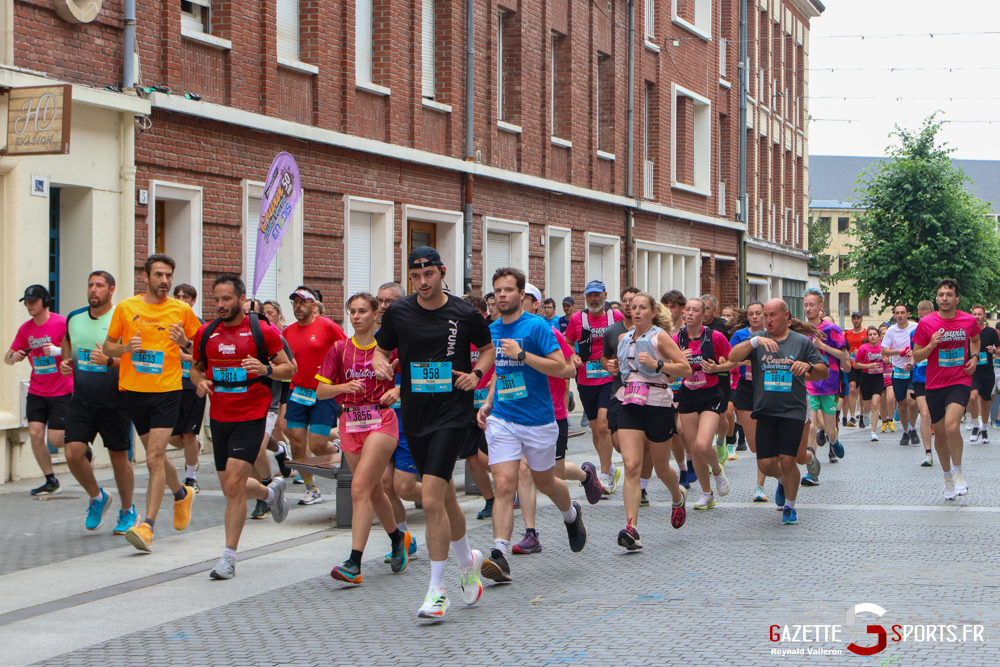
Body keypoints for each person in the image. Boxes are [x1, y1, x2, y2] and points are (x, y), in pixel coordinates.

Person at [374, 246, 494, 620]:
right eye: (415, 276)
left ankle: (437, 590)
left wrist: (476, 375)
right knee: (445, 500)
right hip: (415, 415)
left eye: (428, 275)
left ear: (442, 272)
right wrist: (379, 364)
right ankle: (468, 560)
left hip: (452, 414)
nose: (422, 282)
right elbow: (380, 350)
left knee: (429, 501)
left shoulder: (464, 312)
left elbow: (487, 350)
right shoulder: (399, 312)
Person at [476, 269, 588, 581]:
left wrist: (523, 354)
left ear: (522, 294)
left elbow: (563, 369)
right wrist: (488, 403)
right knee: (504, 484)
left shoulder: (536, 326)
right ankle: (499, 553)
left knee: (546, 481)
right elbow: (500, 372)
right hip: (503, 419)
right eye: (498, 290)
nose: (502, 295)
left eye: (508, 290)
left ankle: (571, 514)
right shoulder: (492, 330)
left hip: (538, 420)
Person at [188, 275, 292, 578]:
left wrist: (266, 369)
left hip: (252, 414)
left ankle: (228, 558)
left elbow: (289, 369)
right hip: (220, 416)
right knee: (230, 487)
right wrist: (200, 382)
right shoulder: (206, 333)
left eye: (227, 299)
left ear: (242, 299)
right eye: (216, 299)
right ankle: (271, 494)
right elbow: (195, 369)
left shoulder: (262, 331)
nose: (220, 305)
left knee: (234, 484)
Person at [103, 254, 203, 553]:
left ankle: (146, 526)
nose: (165, 281)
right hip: (135, 391)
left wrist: (185, 343)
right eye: (159, 275)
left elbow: (202, 349)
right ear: (145, 277)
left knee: (154, 456)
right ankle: (181, 494)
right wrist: (124, 348)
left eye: (169, 275)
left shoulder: (181, 310)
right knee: (154, 456)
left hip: (167, 390)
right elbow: (108, 346)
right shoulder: (126, 308)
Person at [317, 292, 413, 583]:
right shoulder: (339, 349)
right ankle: (398, 538)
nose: (356, 317)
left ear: (375, 315)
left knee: (358, 488)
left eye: (362, 311)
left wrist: (397, 390)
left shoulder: (389, 349)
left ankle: (354, 563)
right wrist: (343, 387)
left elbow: (415, 378)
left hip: (381, 420)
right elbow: (321, 391)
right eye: (352, 312)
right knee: (372, 491)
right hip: (350, 422)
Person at [510, 284, 600, 555]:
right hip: (518, 414)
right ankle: (531, 534)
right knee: (524, 471)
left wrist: (536, 361)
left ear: (534, 304)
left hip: (550, 414)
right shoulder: (505, 332)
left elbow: (569, 368)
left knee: (553, 473)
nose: (513, 300)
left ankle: (585, 475)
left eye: (523, 298)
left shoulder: (548, 332)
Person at [727, 299, 828, 526]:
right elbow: (733, 357)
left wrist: (809, 366)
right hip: (765, 410)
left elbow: (823, 371)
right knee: (766, 464)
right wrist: (754, 342)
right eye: (766, 315)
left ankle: (790, 507)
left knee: (788, 460)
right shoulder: (759, 339)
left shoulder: (800, 342)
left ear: (786, 316)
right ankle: (783, 481)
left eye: (773, 315)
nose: (768, 320)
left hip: (792, 410)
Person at [607, 293, 691, 549]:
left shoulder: (660, 337)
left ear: (653, 312)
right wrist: (614, 368)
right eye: (633, 307)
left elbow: (685, 368)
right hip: (630, 404)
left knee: (661, 468)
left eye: (642, 307)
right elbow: (624, 370)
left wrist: (658, 363)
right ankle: (631, 528)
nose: (636, 311)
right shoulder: (623, 339)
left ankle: (677, 496)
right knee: (631, 466)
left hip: (658, 405)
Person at [58, 272, 137, 533]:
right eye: (91, 284)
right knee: (72, 452)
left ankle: (127, 511)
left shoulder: (121, 318)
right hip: (82, 399)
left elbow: (134, 360)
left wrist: (109, 361)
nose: (93, 289)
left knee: (118, 458)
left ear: (111, 290)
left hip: (115, 400)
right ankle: (97, 497)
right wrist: (66, 361)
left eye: (100, 285)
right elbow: (67, 341)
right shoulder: (74, 317)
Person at [912, 278, 979, 500]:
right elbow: (917, 355)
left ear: (956, 299)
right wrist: (931, 345)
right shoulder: (927, 323)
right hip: (934, 384)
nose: (944, 298)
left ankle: (958, 472)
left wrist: (975, 358)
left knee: (952, 427)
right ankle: (947, 477)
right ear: (936, 298)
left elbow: (975, 339)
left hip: (960, 381)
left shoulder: (968, 320)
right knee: (940, 435)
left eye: (949, 295)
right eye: (941, 294)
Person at [5, 284, 73, 496]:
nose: (29, 305)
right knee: (35, 434)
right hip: (37, 390)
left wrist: (58, 351)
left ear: (45, 302)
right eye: (26, 302)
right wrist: (14, 357)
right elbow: (7, 358)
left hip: (61, 389)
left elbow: (80, 348)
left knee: (55, 439)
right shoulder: (25, 329)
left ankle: (80, 445)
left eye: (33, 302)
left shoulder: (62, 323)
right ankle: (51, 480)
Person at [283, 286, 347, 505]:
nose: (298, 306)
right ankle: (311, 488)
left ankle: (337, 448)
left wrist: (341, 381)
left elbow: (346, 350)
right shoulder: (288, 332)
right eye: (294, 303)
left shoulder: (327, 326)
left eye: (302, 302)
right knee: (296, 439)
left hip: (323, 392)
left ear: (313, 305)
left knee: (317, 444)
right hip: (297, 391)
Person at [376, 282, 423, 562]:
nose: (384, 306)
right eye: (380, 301)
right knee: (385, 483)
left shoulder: (414, 333)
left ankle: (441, 496)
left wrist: (400, 387)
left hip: (409, 419)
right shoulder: (375, 338)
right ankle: (404, 539)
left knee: (404, 487)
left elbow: (431, 374)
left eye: (389, 301)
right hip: (383, 420)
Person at [564, 280, 624, 495]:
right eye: (590, 295)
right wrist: (573, 356)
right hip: (586, 379)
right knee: (595, 428)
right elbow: (568, 343)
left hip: (610, 378)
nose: (593, 299)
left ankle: (605, 475)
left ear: (605, 295)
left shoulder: (616, 317)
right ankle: (610, 468)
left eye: (597, 295)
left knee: (603, 425)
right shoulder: (577, 319)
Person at [675, 299, 732, 510]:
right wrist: (678, 360)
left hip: (710, 394)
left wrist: (717, 368)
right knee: (694, 449)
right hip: (687, 394)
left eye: (695, 310)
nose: (690, 313)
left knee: (703, 444)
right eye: (687, 310)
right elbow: (668, 371)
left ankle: (717, 470)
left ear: (703, 314)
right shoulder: (676, 339)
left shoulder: (714, 336)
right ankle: (707, 494)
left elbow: (733, 360)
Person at [600, 288, 654, 506]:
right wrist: (610, 365)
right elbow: (605, 357)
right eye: (626, 301)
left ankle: (641, 487)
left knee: (646, 444)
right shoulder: (612, 332)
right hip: (620, 393)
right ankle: (631, 472)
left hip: (647, 395)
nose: (630, 306)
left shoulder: (655, 333)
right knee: (619, 444)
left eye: (635, 302)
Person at [727, 302, 772, 501]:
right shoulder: (740, 335)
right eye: (751, 314)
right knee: (754, 445)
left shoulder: (772, 334)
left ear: (765, 315)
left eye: (758, 313)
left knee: (765, 441)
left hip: (768, 388)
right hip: (746, 388)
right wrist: (746, 361)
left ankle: (760, 486)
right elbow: (729, 359)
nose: (754, 317)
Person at [460, 295, 497, 521]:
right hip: (465, 404)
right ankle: (490, 500)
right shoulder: (456, 340)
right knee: (472, 457)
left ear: (483, 315)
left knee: (489, 457)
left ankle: (511, 485)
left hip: (491, 404)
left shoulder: (493, 336)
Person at [803, 288, 848, 466]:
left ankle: (834, 441)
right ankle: (812, 466)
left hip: (829, 385)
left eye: (812, 305)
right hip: (809, 385)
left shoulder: (831, 329)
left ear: (820, 306)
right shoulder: (801, 330)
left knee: (830, 430)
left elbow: (844, 355)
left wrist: (823, 346)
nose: (808, 309)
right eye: (805, 305)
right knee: (811, 427)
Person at [169, 283, 207, 492]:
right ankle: (194, 450)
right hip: (170, 384)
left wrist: (185, 357)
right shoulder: (167, 324)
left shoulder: (201, 327)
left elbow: (208, 356)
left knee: (189, 433)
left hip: (192, 385)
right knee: (173, 437)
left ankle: (191, 477)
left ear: (193, 301)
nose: (181, 300)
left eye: (185, 297)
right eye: (178, 296)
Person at [660, 290, 696, 488]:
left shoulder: (688, 332)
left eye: (672, 306)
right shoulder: (659, 333)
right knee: (673, 433)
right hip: (666, 385)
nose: (668, 310)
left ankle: (691, 461)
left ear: (682, 309)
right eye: (665, 306)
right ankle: (682, 469)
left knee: (683, 429)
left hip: (686, 386)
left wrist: (684, 358)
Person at [701, 295, 734, 463]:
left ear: (715, 310)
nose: (703, 312)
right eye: (701, 308)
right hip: (699, 377)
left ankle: (721, 442)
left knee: (721, 417)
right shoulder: (692, 327)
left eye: (707, 308)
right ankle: (708, 451)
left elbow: (733, 352)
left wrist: (724, 358)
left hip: (720, 375)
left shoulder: (724, 327)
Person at [881, 304, 919, 446]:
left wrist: (913, 351)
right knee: (902, 405)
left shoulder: (915, 327)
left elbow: (922, 344)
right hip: (898, 370)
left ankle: (912, 427)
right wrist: (899, 352)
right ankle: (905, 431)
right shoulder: (891, 331)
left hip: (913, 368)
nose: (900, 315)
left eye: (902, 312)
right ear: (894, 315)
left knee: (912, 401)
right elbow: (884, 350)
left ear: (908, 314)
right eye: (897, 313)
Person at [968, 305, 999, 444]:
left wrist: (994, 351)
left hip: (987, 371)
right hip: (973, 371)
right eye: (974, 314)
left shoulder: (991, 332)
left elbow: (999, 350)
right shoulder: (968, 331)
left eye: (979, 314)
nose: (977, 317)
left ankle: (984, 430)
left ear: (984, 316)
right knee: (973, 396)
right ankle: (975, 426)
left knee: (986, 402)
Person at [911, 301, 935, 467]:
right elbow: (915, 353)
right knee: (924, 414)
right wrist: (911, 363)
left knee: (939, 417)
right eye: (920, 317)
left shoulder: (941, 332)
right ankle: (928, 453)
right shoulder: (914, 332)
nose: (923, 321)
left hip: (938, 378)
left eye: (926, 317)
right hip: (920, 378)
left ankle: (943, 446)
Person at [844, 311, 867, 427]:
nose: (856, 320)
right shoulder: (847, 334)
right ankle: (852, 416)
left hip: (863, 365)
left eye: (858, 318)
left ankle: (861, 414)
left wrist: (861, 353)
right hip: (852, 364)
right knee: (852, 389)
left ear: (861, 319)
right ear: (851, 320)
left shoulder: (866, 332)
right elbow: (844, 348)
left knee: (862, 391)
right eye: (854, 318)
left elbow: (870, 347)